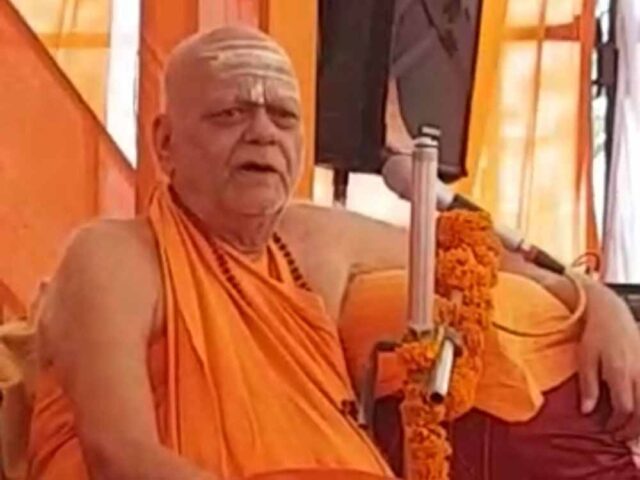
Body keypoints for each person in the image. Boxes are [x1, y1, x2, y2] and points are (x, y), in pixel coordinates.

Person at [28, 26, 640, 480]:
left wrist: (598, 302)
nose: (262, 132)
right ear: (165, 144)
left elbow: (478, 257)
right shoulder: (115, 256)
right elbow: (121, 456)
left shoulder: (311, 240)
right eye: (230, 113)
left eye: (283, 116)